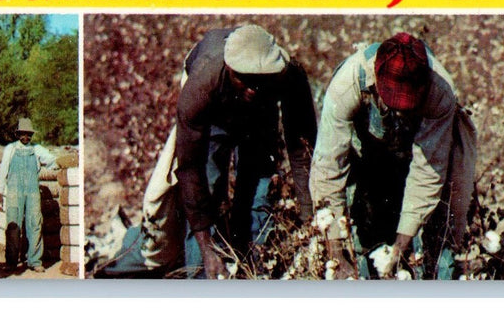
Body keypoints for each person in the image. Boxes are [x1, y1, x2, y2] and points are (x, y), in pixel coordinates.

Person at [94, 24, 317, 279]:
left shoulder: (289, 75)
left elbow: (302, 152)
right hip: (216, 114)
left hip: (261, 116)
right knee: (209, 190)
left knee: (259, 194)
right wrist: (208, 253)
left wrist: (309, 219)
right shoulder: (201, 84)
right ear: (230, 69)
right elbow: (191, 171)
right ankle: (201, 278)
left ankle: (254, 273)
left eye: (260, 81)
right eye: (245, 79)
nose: (252, 89)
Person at [310, 32, 477, 280]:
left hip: (418, 150)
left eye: (406, 105)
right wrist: (337, 254)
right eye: (393, 103)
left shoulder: (440, 92)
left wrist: (402, 243)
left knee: (443, 227)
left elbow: (428, 171)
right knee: (360, 227)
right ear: (376, 80)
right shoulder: (347, 84)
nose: (399, 112)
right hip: (366, 149)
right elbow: (328, 169)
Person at [0, 117, 58, 273]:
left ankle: (34, 260)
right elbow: (3, 171)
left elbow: (52, 161)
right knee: (13, 225)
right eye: (23, 134)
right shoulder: (10, 149)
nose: (26, 137)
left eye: (29, 134)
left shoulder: (37, 149)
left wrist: (61, 163)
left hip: (32, 192)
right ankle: (11, 262)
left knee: (35, 223)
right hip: (14, 191)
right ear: (18, 134)